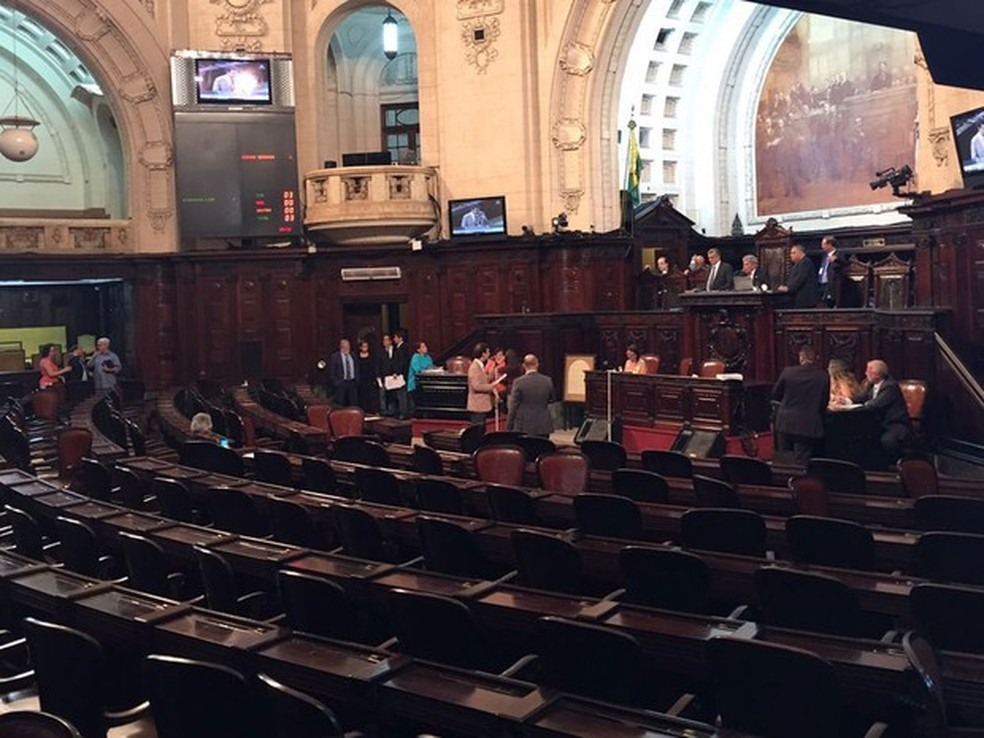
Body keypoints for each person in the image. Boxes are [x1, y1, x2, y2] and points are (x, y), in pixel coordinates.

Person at [840, 359, 913, 460]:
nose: (865, 374)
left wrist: (850, 408)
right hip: (878, 423)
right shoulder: (871, 385)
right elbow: (861, 398)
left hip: (894, 424)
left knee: (887, 441)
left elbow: (874, 405)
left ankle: (896, 464)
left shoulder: (890, 386)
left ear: (877, 375)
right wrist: (845, 401)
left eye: (868, 372)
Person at [772, 346, 829, 464]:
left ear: (801, 357)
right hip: (807, 424)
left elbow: (776, 394)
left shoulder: (788, 372)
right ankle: (798, 482)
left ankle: (782, 480)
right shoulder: (822, 376)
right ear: (815, 359)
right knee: (802, 461)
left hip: (785, 421)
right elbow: (824, 401)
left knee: (784, 458)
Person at [507, 354, 554, 436]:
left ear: (524, 366)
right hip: (543, 425)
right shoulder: (547, 381)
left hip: (524, 426)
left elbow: (513, 406)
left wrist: (509, 426)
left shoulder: (518, 382)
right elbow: (552, 399)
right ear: (537, 364)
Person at [467, 342, 504, 426]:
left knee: (481, 429)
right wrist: (492, 386)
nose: (489, 354)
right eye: (488, 352)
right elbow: (476, 386)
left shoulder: (480, 366)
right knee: (477, 431)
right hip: (477, 405)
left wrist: (491, 373)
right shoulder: (474, 367)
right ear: (483, 354)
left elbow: (483, 380)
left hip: (481, 405)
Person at [328, 338, 359, 407]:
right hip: (341, 383)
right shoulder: (335, 357)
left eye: (348, 346)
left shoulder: (353, 355)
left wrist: (357, 380)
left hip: (352, 383)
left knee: (353, 403)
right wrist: (337, 383)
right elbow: (332, 372)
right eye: (345, 346)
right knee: (340, 403)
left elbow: (356, 368)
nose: (347, 348)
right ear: (341, 347)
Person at [818, 235, 845, 307]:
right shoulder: (824, 256)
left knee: (831, 303)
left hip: (833, 285)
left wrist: (836, 259)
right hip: (823, 284)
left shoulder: (838, 254)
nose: (822, 246)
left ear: (829, 244)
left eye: (823, 244)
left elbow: (844, 263)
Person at [390, 330, 411, 420]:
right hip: (404, 374)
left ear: (400, 338)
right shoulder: (405, 347)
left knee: (401, 394)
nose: (394, 339)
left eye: (395, 337)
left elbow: (402, 362)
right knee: (402, 394)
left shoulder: (402, 348)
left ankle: (403, 413)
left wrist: (397, 372)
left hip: (401, 375)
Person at [355, 339, 379, 413]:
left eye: (366, 346)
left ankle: (372, 412)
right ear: (360, 347)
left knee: (371, 397)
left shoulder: (372, 357)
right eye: (364, 346)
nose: (365, 348)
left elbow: (375, 368)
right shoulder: (356, 357)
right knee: (362, 397)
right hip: (361, 380)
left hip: (370, 380)